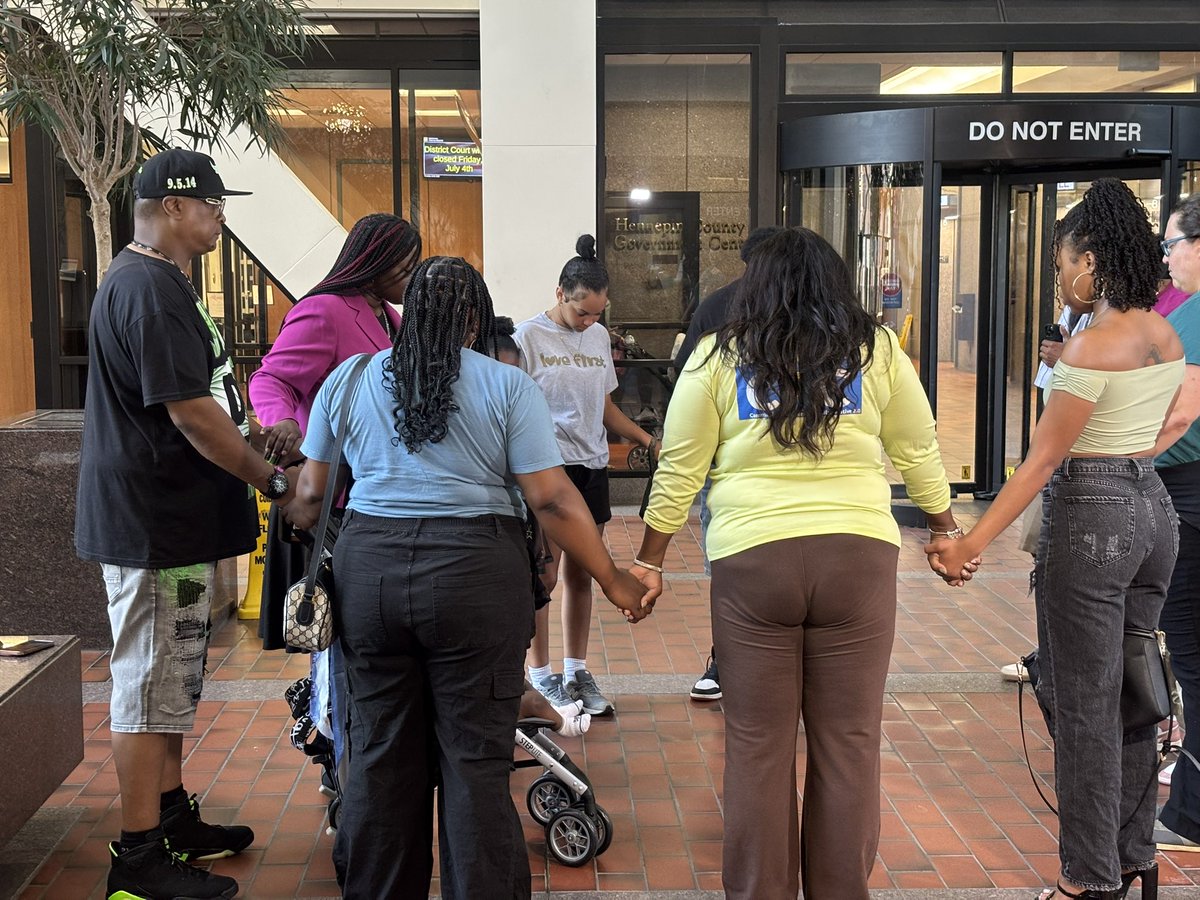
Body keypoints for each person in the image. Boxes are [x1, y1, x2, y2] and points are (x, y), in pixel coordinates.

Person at [286, 256, 657, 899]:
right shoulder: (508, 387)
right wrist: (614, 578)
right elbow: (552, 500)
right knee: (474, 766)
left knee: (376, 762)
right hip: (476, 581)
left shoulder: (347, 381)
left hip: (370, 577)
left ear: (407, 317)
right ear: (473, 319)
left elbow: (312, 496)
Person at [632, 227, 966, 900]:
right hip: (859, 561)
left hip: (753, 565)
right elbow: (918, 447)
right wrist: (944, 530)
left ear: (756, 286)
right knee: (849, 742)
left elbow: (680, 465)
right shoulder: (877, 351)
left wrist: (650, 560)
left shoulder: (716, 356)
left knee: (757, 746)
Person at [928, 178, 1184, 900]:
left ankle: (1087, 878)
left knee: (1084, 705)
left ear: (1093, 263)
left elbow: (1041, 461)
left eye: (1062, 262)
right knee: (1136, 692)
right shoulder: (1160, 333)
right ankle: (1134, 854)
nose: (1057, 275)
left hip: (1093, 513)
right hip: (1151, 508)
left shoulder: (1089, 349)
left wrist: (968, 541)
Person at [75, 149, 295, 900]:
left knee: (172, 675)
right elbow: (193, 416)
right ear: (171, 206)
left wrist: (252, 433)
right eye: (210, 203)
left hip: (176, 523)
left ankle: (168, 817)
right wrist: (270, 479)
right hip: (151, 525)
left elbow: (207, 403)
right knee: (144, 684)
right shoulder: (148, 289)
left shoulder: (159, 283)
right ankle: (135, 862)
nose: (219, 214)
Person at [250, 212, 420, 647]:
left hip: (375, 487)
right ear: (374, 263)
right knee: (334, 624)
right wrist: (282, 420)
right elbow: (271, 379)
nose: (410, 277)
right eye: (403, 268)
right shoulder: (324, 310)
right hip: (332, 495)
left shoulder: (389, 315)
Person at [515, 235, 658, 716]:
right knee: (544, 575)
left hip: (591, 465)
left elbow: (603, 408)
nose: (590, 322)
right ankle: (541, 675)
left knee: (584, 572)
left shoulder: (598, 338)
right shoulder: (527, 339)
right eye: (582, 312)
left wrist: (645, 439)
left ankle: (576, 671)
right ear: (561, 294)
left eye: (598, 314)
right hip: (548, 470)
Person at [673, 226, 782, 701]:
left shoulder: (717, 306)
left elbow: (682, 382)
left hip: (727, 468)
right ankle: (753, 664)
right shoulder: (816, 312)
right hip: (787, 470)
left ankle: (725, 661)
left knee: (728, 568)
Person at [1150, 193, 1200, 853]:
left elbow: (1180, 416)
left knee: (1191, 655)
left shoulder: (1194, 315)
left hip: (1190, 495)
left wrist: (1119, 460)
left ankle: (1191, 815)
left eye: (1172, 244)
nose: (1166, 256)